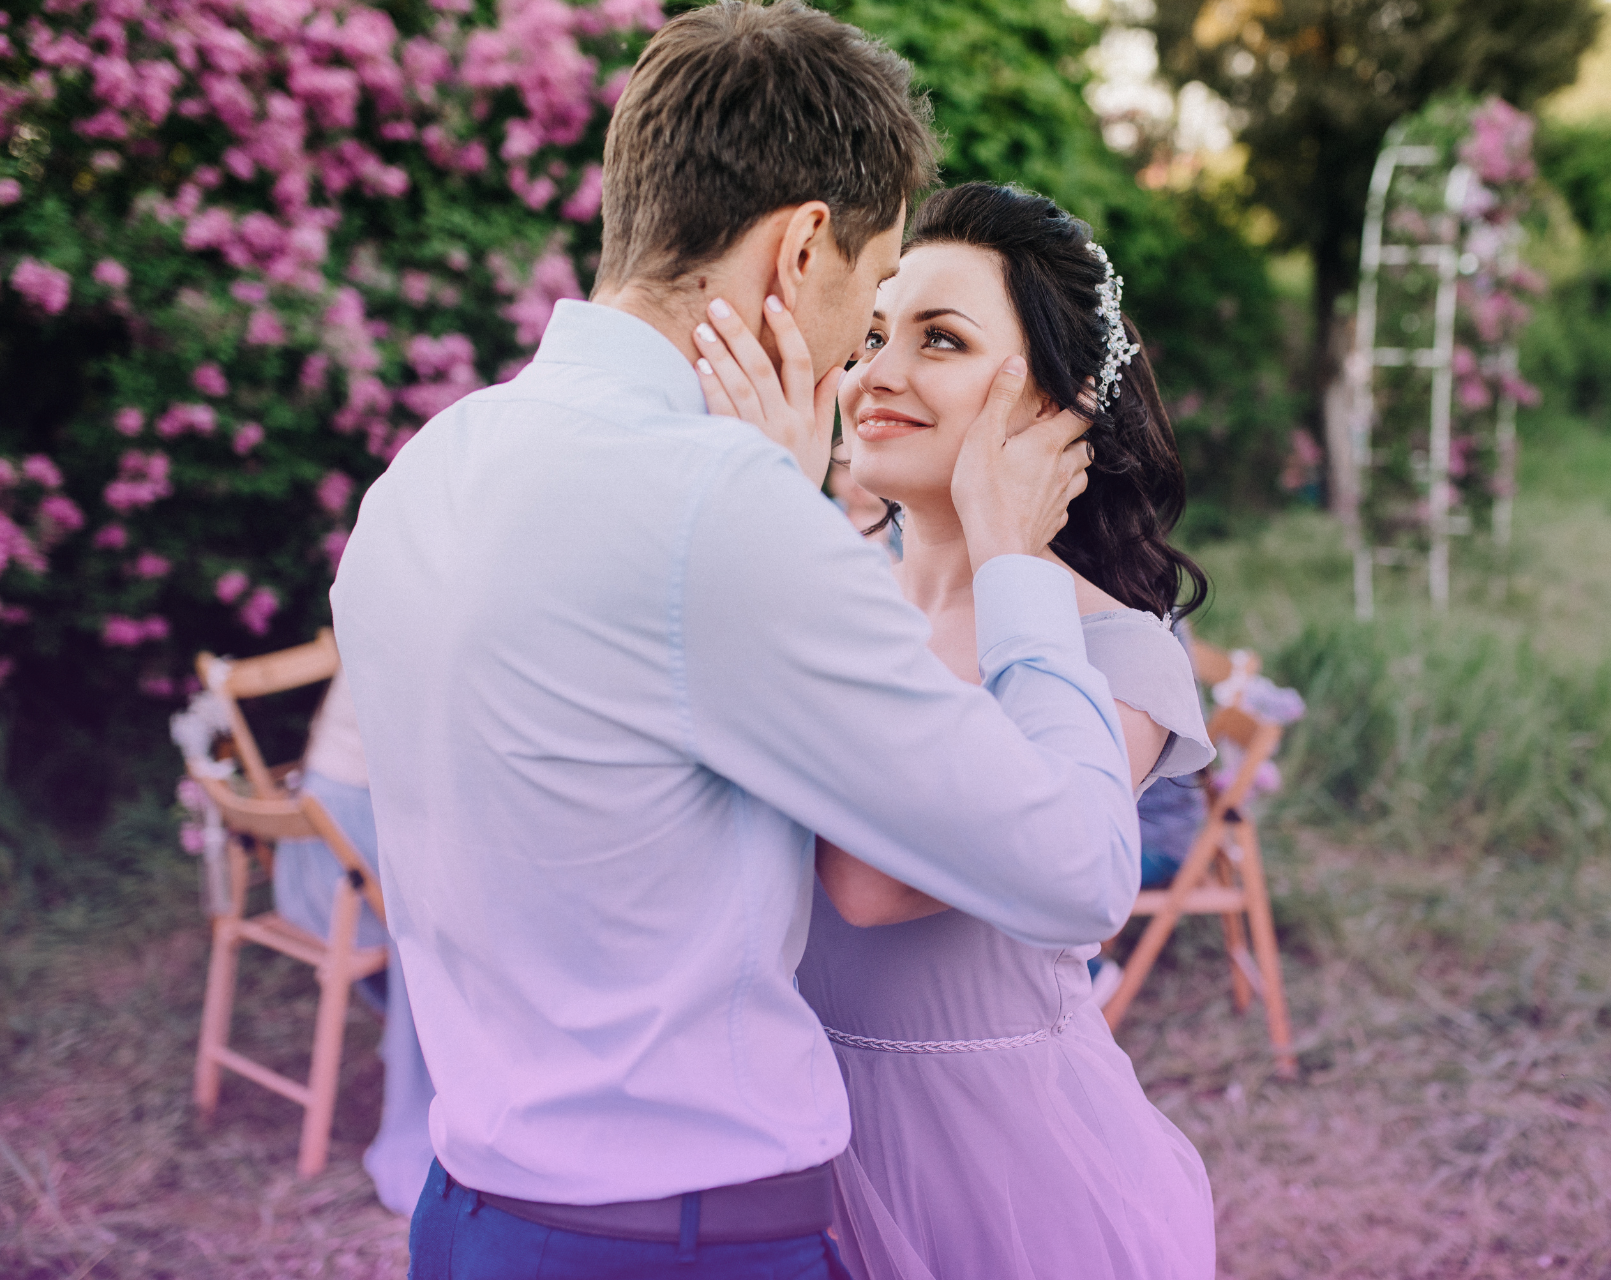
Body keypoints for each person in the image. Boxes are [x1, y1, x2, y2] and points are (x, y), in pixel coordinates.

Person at [329, 5, 1140, 1279]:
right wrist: (1017, 572)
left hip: (470, 1214)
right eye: (874, 296)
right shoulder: (719, 513)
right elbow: (1078, 870)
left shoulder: (418, 480)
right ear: (805, 244)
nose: (860, 351)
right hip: (683, 1239)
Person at [706, 183, 1217, 1278]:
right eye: (877, 331)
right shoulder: (824, 588)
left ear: (1058, 400)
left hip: (991, 1168)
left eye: (940, 339)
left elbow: (875, 883)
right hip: (779, 1132)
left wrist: (998, 542)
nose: (876, 373)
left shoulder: (1117, 650)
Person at [268, 674, 436, 1216]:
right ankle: (442, 1100)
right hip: (348, 859)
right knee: (437, 922)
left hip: (318, 847)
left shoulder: (384, 603)